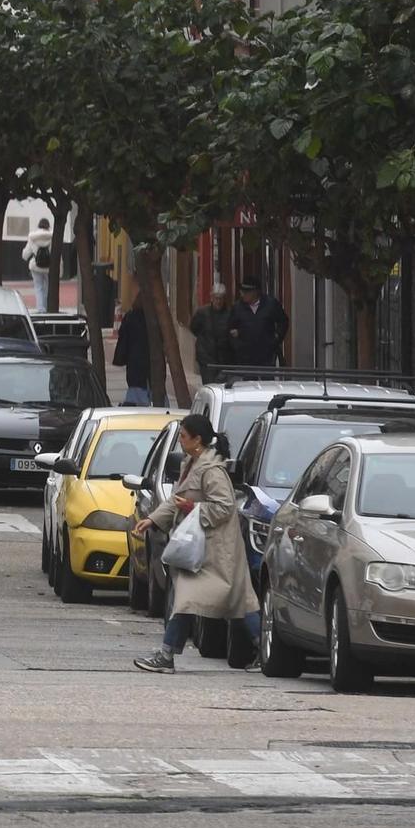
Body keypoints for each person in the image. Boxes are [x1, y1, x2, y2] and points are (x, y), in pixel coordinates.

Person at [132, 414, 261, 674]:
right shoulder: (191, 464)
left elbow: (225, 507)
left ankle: (166, 655)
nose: (180, 440)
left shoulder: (211, 470)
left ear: (197, 439)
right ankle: (264, 649)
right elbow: (176, 500)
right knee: (237, 600)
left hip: (216, 549)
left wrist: (193, 508)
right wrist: (153, 520)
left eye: (183, 436)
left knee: (192, 599)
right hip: (203, 548)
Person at [227, 277, 289, 366]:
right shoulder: (237, 308)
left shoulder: (271, 304)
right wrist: (238, 346)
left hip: (267, 356)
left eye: (246, 292)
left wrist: (277, 337)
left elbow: (283, 321)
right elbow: (230, 328)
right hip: (245, 358)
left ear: (255, 292)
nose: (242, 294)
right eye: (242, 292)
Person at [188, 285, 235, 385]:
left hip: (224, 358)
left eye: (221, 298)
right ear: (211, 298)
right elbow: (193, 328)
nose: (218, 301)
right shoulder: (202, 313)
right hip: (207, 358)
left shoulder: (230, 313)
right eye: (216, 298)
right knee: (209, 385)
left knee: (222, 386)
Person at [112, 300, 152, 405]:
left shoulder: (130, 317)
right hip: (148, 364)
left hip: (135, 364)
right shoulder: (153, 318)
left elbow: (123, 338)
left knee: (136, 394)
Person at [22, 218, 54, 312]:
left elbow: (25, 254)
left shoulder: (33, 237)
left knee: (38, 287)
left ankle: (40, 309)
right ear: (48, 226)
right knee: (47, 288)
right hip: (49, 267)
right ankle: (47, 307)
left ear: (39, 226)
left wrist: (25, 256)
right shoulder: (52, 237)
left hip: (36, 266)